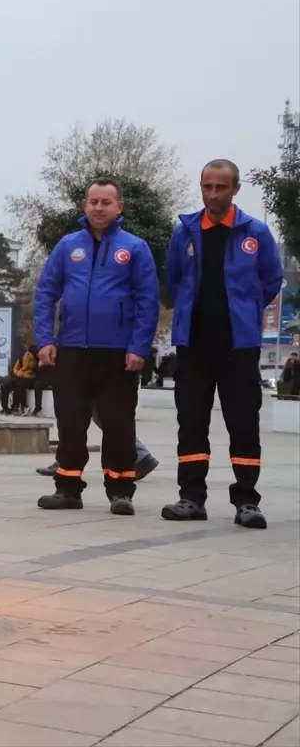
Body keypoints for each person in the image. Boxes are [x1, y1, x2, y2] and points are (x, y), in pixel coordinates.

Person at [162, 159, 283, 529]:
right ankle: (191, 498)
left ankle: (247, 501)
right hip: (193, 344)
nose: (213, 194)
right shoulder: (184, 232)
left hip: (238, 345)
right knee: (192, 422)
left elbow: (271, 280)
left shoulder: (256, 233)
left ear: (235, 189)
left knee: (244, 423)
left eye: (221, 187)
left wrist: (244, 310)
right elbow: (174, 277)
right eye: (207, 187)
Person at [33, 178, 158, 515]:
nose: (99, 208)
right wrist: (45, 339)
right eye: (93, 202)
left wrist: (138, 348)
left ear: (119, 207)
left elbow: (148, 301)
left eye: (106, 202)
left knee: (118, 424)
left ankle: (120, 491)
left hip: (118, 354)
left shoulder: (134, 248)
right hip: (71, 349)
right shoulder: (67, 246)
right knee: (70, 423)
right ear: (84, 206)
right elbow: (45, 293)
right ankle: (68, 489)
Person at [0, 346, 38, 414]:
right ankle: (5, 407)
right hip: (20, 376)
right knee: (4, 386)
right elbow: (16, 368)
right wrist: (19, 373)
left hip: (30, 377)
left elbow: (34, 371)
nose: (28, 354)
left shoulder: (36, 359)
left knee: (19, 385)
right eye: (27, 353)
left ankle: (18, 406)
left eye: (29, 353)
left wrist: (31, 359)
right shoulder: (21, 358)